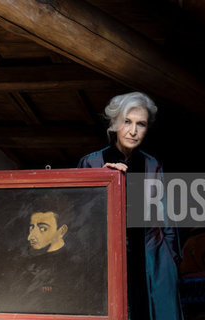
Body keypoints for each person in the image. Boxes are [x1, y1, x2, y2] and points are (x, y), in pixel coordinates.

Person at [78, 92, 183, 320]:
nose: (133, 131)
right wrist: (102, 182)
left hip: (153, 259)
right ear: (115, 123)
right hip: (108, 260)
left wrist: (171, 259)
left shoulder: (152, 164)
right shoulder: (92, 163)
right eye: (127, 121)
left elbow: (166, 216)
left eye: (141, 124)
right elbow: (81, 220)